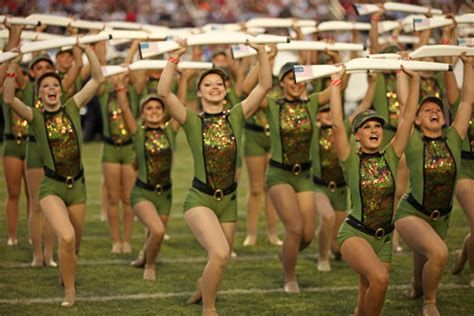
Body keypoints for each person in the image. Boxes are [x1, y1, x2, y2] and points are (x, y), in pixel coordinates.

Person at [157, 40, 271, 316]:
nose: (215, 87)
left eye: (219, 84)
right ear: (199, 92)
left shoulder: (236, 116)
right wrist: (173, 59)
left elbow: (264, 86)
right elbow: (164, 92)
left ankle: (201, 287)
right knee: (220, 253)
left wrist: (262, 54)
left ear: (226, 90)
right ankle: (209, 308)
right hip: (200, 200)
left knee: (220, 260)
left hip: (228, 202)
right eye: (208, 84)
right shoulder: (192, 120)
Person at [3, 42, 104, 307]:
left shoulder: (72, 106)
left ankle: (65, 273)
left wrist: (87, 48)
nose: (51, 89)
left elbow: (97, 78)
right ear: (39, 93)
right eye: (46, 86)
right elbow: (9, 99)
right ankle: (70, 291)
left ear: (61, 90)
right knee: (67, 236)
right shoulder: (35, 117)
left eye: (55, 86)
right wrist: (13, 64)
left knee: (75, 246)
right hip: (51, 187)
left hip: (78, 187)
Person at [332, 64, 419, 316]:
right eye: (367, 127)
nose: (374, 130)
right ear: (357, 135)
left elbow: (407, 117)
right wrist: (336, 83)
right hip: (355, 234)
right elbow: (338, 125)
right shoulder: (351, 159)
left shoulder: (391, 155)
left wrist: (413, 80)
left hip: (384, 239)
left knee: (368, 293)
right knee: (380, 280)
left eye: (377, 126)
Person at [395, 54, 473, 316]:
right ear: (417, 120)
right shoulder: (414, 141)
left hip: (441, 218)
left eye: (438, 109)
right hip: (412, 213)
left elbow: (467, 102)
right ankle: (430, 302)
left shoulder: (453, 138)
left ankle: (417, 286)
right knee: (439, 254)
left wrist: (469, 65)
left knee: (421, 272)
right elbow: (406, 107)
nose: (435, 111)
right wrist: (413, 76)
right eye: (427, 109)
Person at [313, 72, 377, 272]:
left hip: (341, 190)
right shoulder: (313, 131)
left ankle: (329, 247)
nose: (328, 114)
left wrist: (373, 81)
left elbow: (365, 104)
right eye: (323, 111)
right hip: (319, 186)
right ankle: (322, 257)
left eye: (330, 111)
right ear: (316, 116)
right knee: (328, 216)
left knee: (336, 243)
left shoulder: (343, 129)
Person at [117, 73, 180, 279]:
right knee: (158, 231)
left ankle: (144, 255)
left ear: (163, 112)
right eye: (149, 108)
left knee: (155, 233)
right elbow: (125, 109)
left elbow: (178, 104)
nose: (154, 111)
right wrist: (120, 88)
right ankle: (149, 266)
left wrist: (185, 78)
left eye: (158, 108)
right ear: (142, 113)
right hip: (142, 192)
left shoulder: (170, 131)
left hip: (165, 194)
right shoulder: (139, 133)